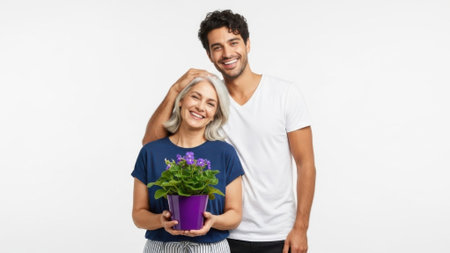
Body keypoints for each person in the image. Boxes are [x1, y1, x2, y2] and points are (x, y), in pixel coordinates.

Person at [142, 10, 316, 253]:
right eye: (217, 47)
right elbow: (151, 146)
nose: (227, 53)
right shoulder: (208, 104)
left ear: (247, 44)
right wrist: (174, 91)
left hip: (278, 232)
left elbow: (305, 163)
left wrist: (301, 227)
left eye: (233, 43)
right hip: (220, 235)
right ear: (209, 55)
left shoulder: (284, 94)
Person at [132, 76, 244, 253]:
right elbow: (138, 215)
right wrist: (160, 221)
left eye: (210, 103)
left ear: (215, 114)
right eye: (195, 97)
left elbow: (235, 214)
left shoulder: (225, 153)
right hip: (161, 248)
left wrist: (213, 221)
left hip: (212, 248)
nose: (200, 107)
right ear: (181, 100)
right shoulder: (151, 152)